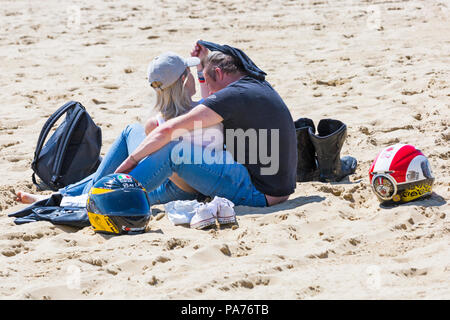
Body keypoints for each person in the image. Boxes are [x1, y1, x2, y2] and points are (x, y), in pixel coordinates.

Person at [18, 41, 297, 208]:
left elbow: (167, 130)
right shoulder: (252, 83)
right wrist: (205, 59)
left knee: (171, 148)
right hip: (242, 180)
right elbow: (224, 74)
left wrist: (131, 160)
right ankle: (71, 196)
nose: (203, 84)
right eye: (196, 76)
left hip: (259, 193)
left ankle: (93, 197)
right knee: (135, 133)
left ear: (220, 73)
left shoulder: (228, 99)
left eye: (205, 77)